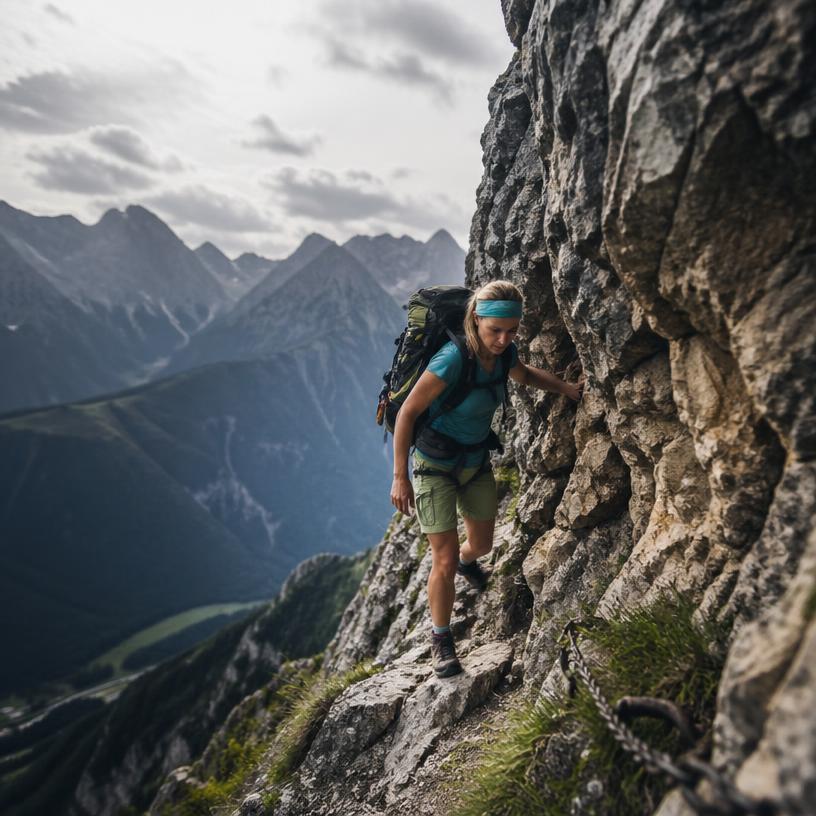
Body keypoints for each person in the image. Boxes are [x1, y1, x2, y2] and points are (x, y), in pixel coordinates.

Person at [390, 280, 584, 678]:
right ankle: (441, 641)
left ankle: (465, 561)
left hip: (476, 462)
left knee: (481, 544)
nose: (503, 339)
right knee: (441, 558)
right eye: (495, 330)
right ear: (476, 320)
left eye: (511, 330)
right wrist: (400, 478)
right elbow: (408, 413)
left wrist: (566, 388)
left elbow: (524, 374)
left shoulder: (505, 353)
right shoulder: (450, 360)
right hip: (434, 467)